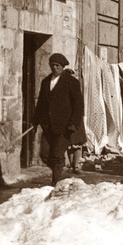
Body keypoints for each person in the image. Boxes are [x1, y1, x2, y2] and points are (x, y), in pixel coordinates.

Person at [34, 53, 85, 186]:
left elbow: (78, 105)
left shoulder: (71, 82)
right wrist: (35, 121)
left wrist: (74, 123)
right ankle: (59, 169)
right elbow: (41, 103)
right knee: (45, 155)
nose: (54, 68)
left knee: (57, 155)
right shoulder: (45, 82)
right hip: (48, 126)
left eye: (57, 65)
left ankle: (55, 183)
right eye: (52, 65)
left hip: (64, 126)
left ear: (62, 67)